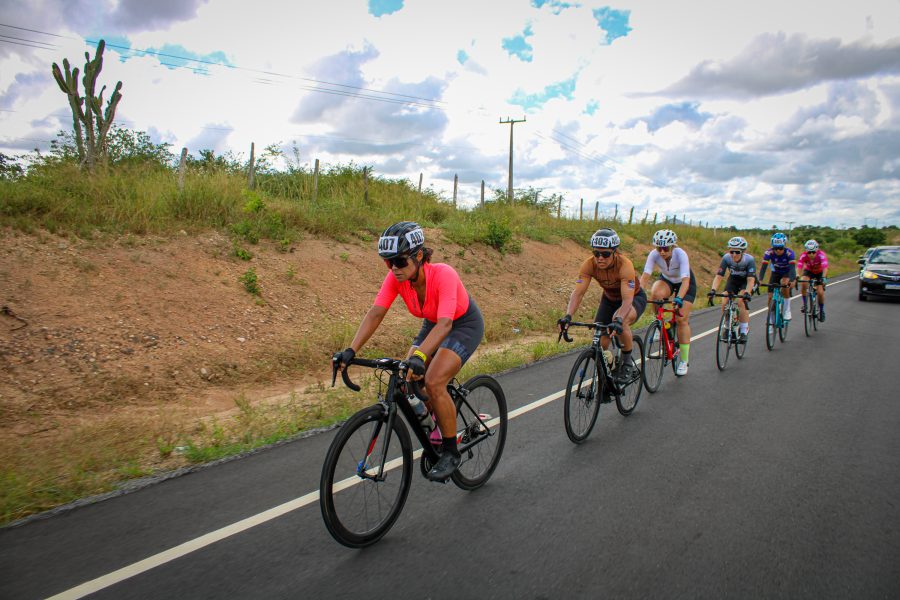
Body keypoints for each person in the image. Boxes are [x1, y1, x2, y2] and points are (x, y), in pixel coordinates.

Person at [332, 221, 485, 482]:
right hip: (432, 322)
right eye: (388, 262)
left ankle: (450, 451)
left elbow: (446, 324)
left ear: (419, 256)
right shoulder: (396, 278)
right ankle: (435, 422)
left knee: (434, 380)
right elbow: (376, 312)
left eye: (400, 262)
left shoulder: (444, 274)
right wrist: (350, 349)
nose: (394, 269)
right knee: (406, 377)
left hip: (462, 323)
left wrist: (421, 356)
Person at [558, 228, 647, 384]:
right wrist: (568, 316)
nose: (600, 258)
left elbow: (627, 300)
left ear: (615, 252)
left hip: (633, 298)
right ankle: (608, 368)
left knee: (620, 320)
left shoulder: (625, 265)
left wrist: (619, 319)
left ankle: (627, 363)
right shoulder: (589, 265)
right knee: (600, 339)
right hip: (609, 299)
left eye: (605, 254)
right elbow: (578, 293)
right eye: (596, 253)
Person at [639, 229, 696, 376]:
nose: (662, 252)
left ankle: (684, 360)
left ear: (673, 246)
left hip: (685, 283)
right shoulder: (654, 254)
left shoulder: (680, 254)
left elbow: (685, 281)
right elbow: (645, 276)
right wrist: (637, 293)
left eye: (666, 248)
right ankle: (660, 325)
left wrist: (679, 298)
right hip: (668, 280)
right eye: (659, 248)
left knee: (681, 318)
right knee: (655, 294)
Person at [707, 236, 757, 343]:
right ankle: (727, 325)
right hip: (733, 280)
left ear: (743, 252)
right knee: (725, 300)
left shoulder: (749, 260)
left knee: (741, 301)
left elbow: (751, 280)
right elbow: (719, 276)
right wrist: (713, 290)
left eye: (737, 252)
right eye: (731, 251)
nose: (734, 254)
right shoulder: (726, 258)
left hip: (746, 281)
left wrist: (747, 292)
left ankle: (744, 330)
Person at [758, 232, 797, 322]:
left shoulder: (789, 253)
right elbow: (763, 267)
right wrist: (760, 279)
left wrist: (792, 280)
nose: (778, 250)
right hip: (775, 272)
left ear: (784, 246)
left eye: (780, 248)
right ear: (772, 247)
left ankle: (787, 310)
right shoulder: (768, 252)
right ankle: (771, 319)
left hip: (787, 272)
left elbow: (792, 268)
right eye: (775, 248)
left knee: (784, 284)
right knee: (770, 297)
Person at [797, 239, 829, 322]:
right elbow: (799, 266)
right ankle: (805, 305)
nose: (811, 254)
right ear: (806, 251)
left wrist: (824, 278)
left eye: (813, 252)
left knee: (820, 293)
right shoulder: (803, 255)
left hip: (819, 273)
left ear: (817, 250)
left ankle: (821, 311)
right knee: (804, 283)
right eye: (809, 252)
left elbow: (825, 267)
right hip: (809, 271)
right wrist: (797, 275)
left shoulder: (821, 255)